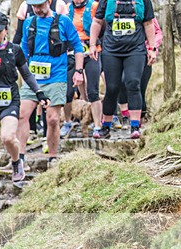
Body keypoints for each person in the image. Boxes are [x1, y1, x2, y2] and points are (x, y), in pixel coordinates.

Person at [0, 9, 48, 195]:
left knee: (7, 137)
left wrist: (39, 92)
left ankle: (16, 162)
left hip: (9, 102)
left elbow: (26, 74)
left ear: (6, 30)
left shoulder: (14, 51)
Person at [17, 0, 85, 167]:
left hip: (56, 76)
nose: (37, 10)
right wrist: (20, 73)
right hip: (33, 77)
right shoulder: (28, 23)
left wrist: (78, 71)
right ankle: (19, 159)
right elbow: (23, 51)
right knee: (22, 115)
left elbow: (78, 46)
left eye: (40, 6)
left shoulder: (63, 21)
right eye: (34, 7)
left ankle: (53, 157)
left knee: (53, 119)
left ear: (48, 2)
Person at [89, 0, 157, 139]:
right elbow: (97, 21)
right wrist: (92, 45)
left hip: (136, 49)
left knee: (133, 83)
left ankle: (135, 126)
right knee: (112, 87)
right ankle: (106, 127)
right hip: (111, 50)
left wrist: (152, 48)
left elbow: (149, 23)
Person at [60, 0, 103, 137]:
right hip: (72, 52)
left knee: (93, 90)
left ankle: (98, 125)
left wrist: (95, 44)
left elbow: (102, 27)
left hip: (91, 51)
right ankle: (67, 122)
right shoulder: (67, 9)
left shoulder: (94, 6)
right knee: (68, 91)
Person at [117, 17, 163, 125]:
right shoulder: (116, 11)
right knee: (122, 82)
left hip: (144, 54)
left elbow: (158, 33)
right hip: (123, 53)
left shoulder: (144, 11)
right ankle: (125, 115)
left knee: (140, 89)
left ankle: (138, 124)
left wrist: (152, 48)